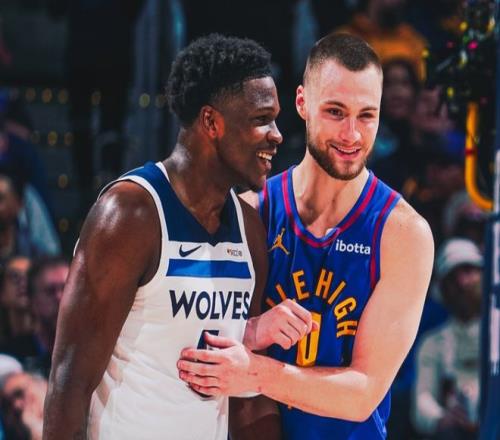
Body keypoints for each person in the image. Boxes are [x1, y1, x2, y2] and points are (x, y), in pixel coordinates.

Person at [43, 34, 316, 440]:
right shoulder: (130, 214)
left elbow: (243, 390)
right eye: (261, 119)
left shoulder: (249, 227)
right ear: (211, 122)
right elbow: (69, 383)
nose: (277, 134)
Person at [177, 33, 434, 439]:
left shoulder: (403, 233)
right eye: (335, 111)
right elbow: (191, 335)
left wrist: (256, 371)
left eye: (366, 115)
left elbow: (362, 394)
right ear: (302, 103)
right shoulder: (251, 209)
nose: (352, 134)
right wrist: (253, 330)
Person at [413, 238, 482, 439]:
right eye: (453, 277)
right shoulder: (432, 344)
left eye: (468, 271)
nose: (462, 282)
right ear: (442, 289)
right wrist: (442, 418)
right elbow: (422, 402)